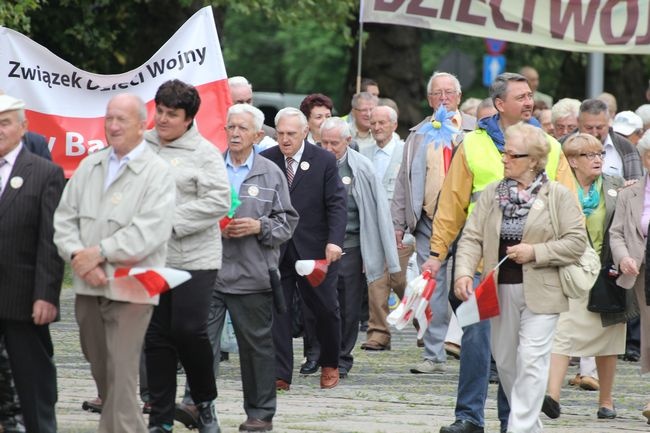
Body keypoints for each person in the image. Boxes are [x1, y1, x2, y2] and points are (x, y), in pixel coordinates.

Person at [422, 72, 576, 433]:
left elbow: (568, 203)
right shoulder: (473, 145)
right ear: (500, 104)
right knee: (475, 338)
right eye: (520, 96)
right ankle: (469, 416)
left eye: (530, 95)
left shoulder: (549, 146)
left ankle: (514, 419)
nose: (528, 102)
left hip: (532, 264)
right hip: (481, 260)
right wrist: (437, 253)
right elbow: (453, 203)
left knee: (518, 351)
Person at [53, 93, 175, 433]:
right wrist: (79, 257)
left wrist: (100, 252)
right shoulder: (90, 166)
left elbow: (149, 231)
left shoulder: (157, 172)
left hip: (131, 288)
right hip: (87, 285)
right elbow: (64, 220)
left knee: (122, 374)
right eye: (109, 118)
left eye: (122, 119)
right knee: (103, 373)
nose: (113, 125)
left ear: (141, 124)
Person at [454, 122, 586, 433]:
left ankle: (519, 428)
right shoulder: (491, 194)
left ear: (533, 160)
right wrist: (462, 272)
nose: (504, 159)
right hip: (498, 290)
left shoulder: (558, 196)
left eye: (512, 155)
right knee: (506, 362)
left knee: (530, 359)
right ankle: (529, 424)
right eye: (504, 153)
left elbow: (576, 242)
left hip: (543, 290)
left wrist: (535, 251)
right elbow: (472, 237)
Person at [143, 80, 231, 433]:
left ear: (188, 118)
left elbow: (218, 201)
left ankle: (202, 403)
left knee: (188, 331)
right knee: (156, 335)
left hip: (195, 257)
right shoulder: (142, 145)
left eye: (171, 114)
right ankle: (160, 417)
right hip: (152, 257)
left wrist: (169, 222)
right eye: (159, 111)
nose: (162, 119)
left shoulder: (204, 152)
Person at [207, 103, 298, 432]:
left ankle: (260, 414)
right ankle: (198, 405)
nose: (234, 133)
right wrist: (211, 224)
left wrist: (259, 227)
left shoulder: (270, 172)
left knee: (256, 349)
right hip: (210, 272)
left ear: (258, 135)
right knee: (201, 343)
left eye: (242, 128)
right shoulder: (211, 167)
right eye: (231, 127)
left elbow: (287, 222)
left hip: (253, 275)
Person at [392, 71, 476, 374]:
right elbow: (404, 180)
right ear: (429, 99)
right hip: (428, 219)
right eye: (437, 93)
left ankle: (475, 352)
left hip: (468, 221)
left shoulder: (475, 131)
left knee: (470, 285)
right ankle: (433, 354)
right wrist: (399, 222)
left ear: (459, 97)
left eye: (449, 92)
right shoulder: (418, 134)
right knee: (432, 286)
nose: (443, 98)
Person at [261, 107, 347, 390]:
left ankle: (330, 362)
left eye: (291, 134)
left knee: (324, 309)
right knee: (279, 311)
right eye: (281, 134)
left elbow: (336, 203)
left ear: (305, 133)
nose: (285, 140)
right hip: (278, 248)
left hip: (315, 249)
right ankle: (280, 373)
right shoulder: (266, 160)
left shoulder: (322, 159)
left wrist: (334, 240)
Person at [543, 133, 626, 421]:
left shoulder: (616, 185)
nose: (597, 160)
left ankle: (606, 400)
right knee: (562, 331)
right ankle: (552, 396)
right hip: (570, 270)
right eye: (588, 155)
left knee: (609, 336)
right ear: (572, 162)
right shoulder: (557, 188)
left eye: (600, 154)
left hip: (607, 272)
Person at [0, 94, 64, 433]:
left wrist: (46, 295)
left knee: (33, 384)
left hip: (24, 299)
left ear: (23, 128)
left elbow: (50, 241)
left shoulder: (44, 173)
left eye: (5, 122)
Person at [318, 116, 400, 376]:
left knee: (348, 305)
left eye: (334, 143)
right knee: (319, 304)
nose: (329, 149)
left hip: (351, 244)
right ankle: (318, 354)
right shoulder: (314, 164)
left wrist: (376, 250)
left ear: (348, 141)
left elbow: (377, 212)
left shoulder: (361, 168)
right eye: (324, 143)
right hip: (318, 246)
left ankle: (342, 357)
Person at [360, 105, 410, 351]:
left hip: (400, 226)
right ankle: (378, 332)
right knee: (376, 279)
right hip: (372, 227)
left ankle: (425, 326)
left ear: (394, 125)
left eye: (382, 123)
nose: (377, 128)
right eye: (373, 123)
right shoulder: (362, 151)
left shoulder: (406, 151)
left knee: (402, 280)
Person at [608, 134, 650, 425]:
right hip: (643, 273)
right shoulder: (630, 193)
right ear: (645, 158)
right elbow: (617, 233)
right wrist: (623, 257)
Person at [576, 99, 642, 181]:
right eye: (588, 128)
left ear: (608, 122)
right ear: (578, 122)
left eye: (599, 128)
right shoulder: (563, 145)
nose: (594, 133)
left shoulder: (626, 148)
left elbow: (636, 189)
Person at [228, 76, 277, 144]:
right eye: (240, 102)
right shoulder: (215, 132)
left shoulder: (269, 134)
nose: (246, 106)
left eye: (249, 101)